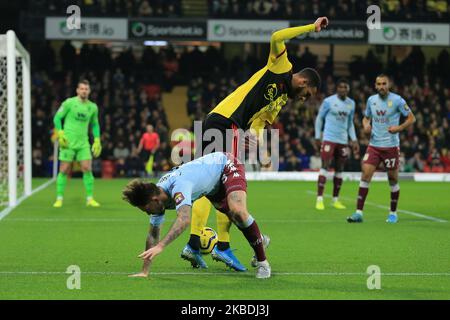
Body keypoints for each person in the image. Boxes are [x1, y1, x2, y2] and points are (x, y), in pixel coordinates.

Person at [185, 17, 329, 272]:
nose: (305, 100)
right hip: (225, 120)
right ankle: (221, 247)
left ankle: (197, 245)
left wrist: (259, 144)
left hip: (229, 126)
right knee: (223, 186)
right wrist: (311, 28)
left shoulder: (282, 99)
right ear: (305, 82)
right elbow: (276, 37)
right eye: (308, 95)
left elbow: (261, 123)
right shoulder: (282, 67)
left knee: (213, 184)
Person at [122, 152, 271, 279]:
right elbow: (153, 235)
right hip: (211, 188)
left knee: (238, 211)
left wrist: (161, 246)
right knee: (237, 219)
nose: (148, 213)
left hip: (225, 164)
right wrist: (145, 270)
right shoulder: (158, 198)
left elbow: (184, 219)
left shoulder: (178, 186)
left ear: (154, 200)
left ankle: (263, 264)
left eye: (146, 209)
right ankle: (259, 241)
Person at [347, 74, 416, 224]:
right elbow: (366, 117)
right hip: (374, 146)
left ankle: (393, 213)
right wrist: (366, 125)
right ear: (375, 85)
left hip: (391, 147)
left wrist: (398, 128)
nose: (381, 86)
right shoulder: (371, 100)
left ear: (388, 85)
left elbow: (411, 118)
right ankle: (358, 213)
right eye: (379, 84)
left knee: (392, 179)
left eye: (384, 83)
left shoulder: (398, 100)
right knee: (365, 175)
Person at [53, 79, 102, 208]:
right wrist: (60, 133)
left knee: (87, 168)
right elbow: (57, 118)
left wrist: (97, 139)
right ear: (77, 90)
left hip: (83, 143)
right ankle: (59, 198)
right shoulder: (69, 103)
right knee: (64, 169)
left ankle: (90, 198)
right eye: (82, 88)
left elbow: (95, 124)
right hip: (67, 142)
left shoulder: (92, 107)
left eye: (86, 89)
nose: (84, 91)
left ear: (89, 91)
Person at [314, 78, 359, 210]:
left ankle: (335, 200)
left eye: (345, 87)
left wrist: (354, 139)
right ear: (337, 88)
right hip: (329, 138)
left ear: (348, 89)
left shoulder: (351, 104)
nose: (343, 89)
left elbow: (350, 123)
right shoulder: (328, 101)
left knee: (340, 169)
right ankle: (319, 199)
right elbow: (319, 118)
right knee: (325, 166)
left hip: (343, 140)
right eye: (340, 87)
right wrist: (318, 136)